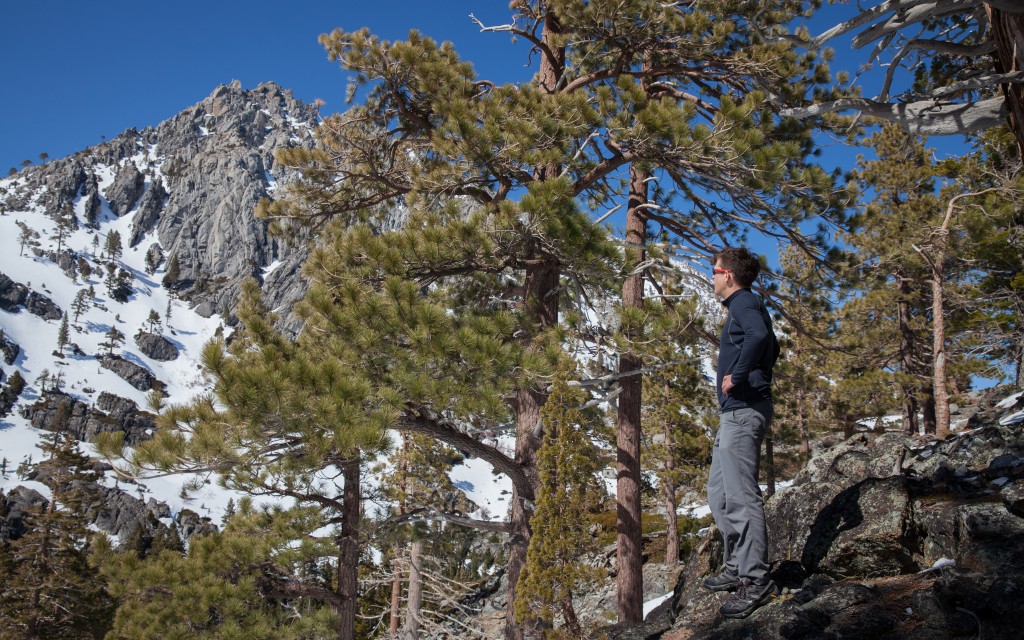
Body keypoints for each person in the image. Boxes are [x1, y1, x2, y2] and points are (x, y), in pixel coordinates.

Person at [703, 247, 780, 619]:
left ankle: (756, 579)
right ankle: (735, 566)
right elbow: (773, 343)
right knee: (718, 493)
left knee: (740, 497)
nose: (712, 276)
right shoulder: (744, 305)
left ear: (728, 275)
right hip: (735, 412)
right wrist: (759, 372)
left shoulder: (744, 303)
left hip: (744, 412)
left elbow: (761, 335)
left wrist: (743, 373)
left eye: (714, 270)